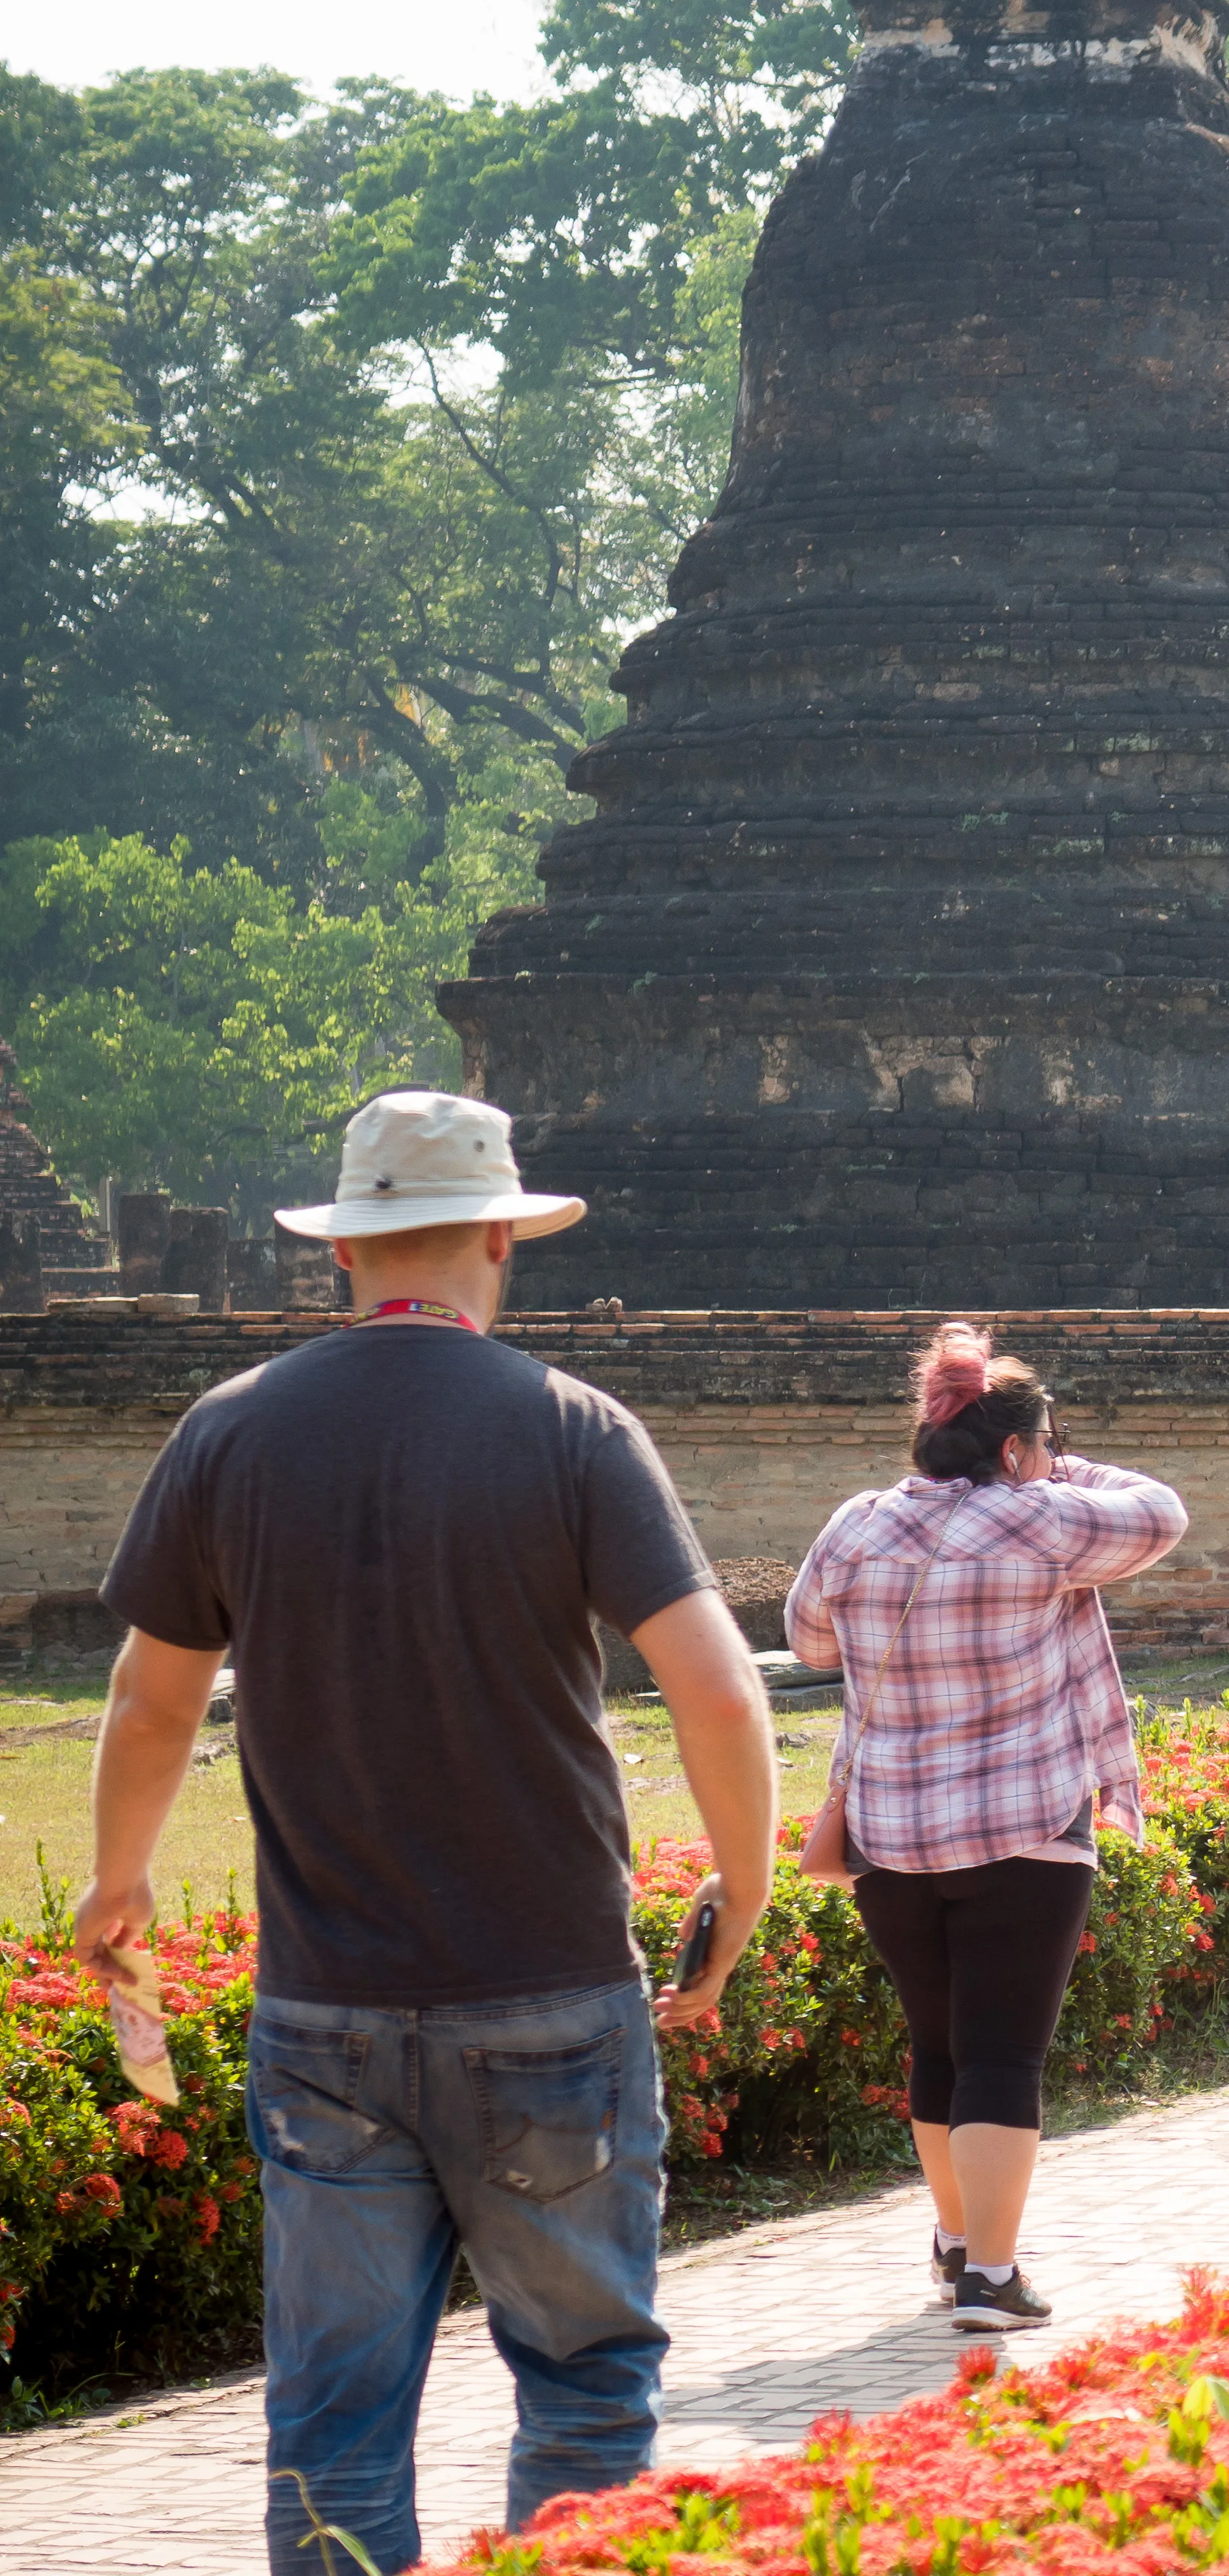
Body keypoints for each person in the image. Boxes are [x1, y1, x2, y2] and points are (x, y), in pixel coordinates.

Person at [77, 1090, 778, 2575]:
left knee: (332, 2421)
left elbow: (150, 1706)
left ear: (344, 1254)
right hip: (552, 1995)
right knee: (587, 2395)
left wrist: (118, 1879)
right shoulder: (576, 1429)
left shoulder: (232, 1431)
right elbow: (719, 1691)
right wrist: (745, 1880)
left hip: (326, 2004)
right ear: (500, 1245)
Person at [784, 1325, 1185, 2332]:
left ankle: (961, 2243)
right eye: (1040, 1444)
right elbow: (1161, 1514)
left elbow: (808, 1637)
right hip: (1025, 1831)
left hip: (892, 1834)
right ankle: (993, 2280)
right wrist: (1049, 1465)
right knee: (1004, 2056)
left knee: (940, 2046)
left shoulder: (858, 1524)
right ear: (1016, 1452)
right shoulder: (1043, 1521)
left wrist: (1020, 1453)